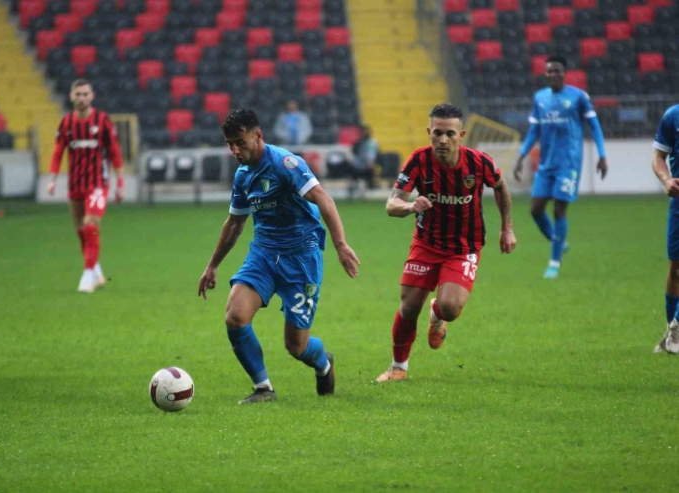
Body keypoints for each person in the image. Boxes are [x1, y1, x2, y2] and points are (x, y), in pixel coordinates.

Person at [198, 108, 360, 404]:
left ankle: (323, 363)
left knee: (296, 347)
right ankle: (264, 389)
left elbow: (322, 197)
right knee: (235, 317)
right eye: (230, 144)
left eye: (240, 142)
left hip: (301, 257)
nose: (235, 150)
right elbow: (235, 223)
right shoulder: (243, 175)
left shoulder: (286, 164)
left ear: (258, 136)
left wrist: (340, 244)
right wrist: (212, 266)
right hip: (263, 254)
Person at [376, 103, 517, 383]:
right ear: (429, 132)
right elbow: (392, 203)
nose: (443, 139)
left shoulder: (479, 163)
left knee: (450, 308)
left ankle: (437, 313)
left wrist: (507, 229)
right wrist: (410, 207)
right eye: (437, 133)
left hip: (463, 247)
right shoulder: (418, 161)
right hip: (426, 244)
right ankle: (398, 367)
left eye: (449, 133)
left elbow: (500, 187)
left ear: (461, 134)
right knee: (408, 307)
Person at [513, 55, 607, 279]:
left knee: (558, 210)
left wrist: (602, 155)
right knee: (535, 209)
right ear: (544, 74)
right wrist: (521, 156)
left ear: (564, 73)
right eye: (549, 71)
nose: (553, 74)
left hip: (569, 163)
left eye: (557, 71)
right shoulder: (540, 98)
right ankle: (559, 240)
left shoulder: (578, 97)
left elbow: (594, 126)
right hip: (546, 164)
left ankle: (554, 262)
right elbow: (534, 131)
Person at [47, 79, 124, 293]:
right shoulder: (66, 123)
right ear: (72, 96)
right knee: (81, 231)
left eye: (85, 94)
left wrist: (119, 183)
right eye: (78, 94)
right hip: (75, 184)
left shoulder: (102, 121)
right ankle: (96, 272)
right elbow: (57, 152)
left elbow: (115, 153)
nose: (81, 98)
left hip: (98, 183)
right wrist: (52, 179)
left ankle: (87, 275)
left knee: (90, 224)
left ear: (92, 96)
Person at [652, 104, 679, 354]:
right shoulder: (673, 115)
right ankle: (671, 331)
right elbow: (658, 158)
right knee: (675, 268)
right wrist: (667, 180)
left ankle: (677, 328)